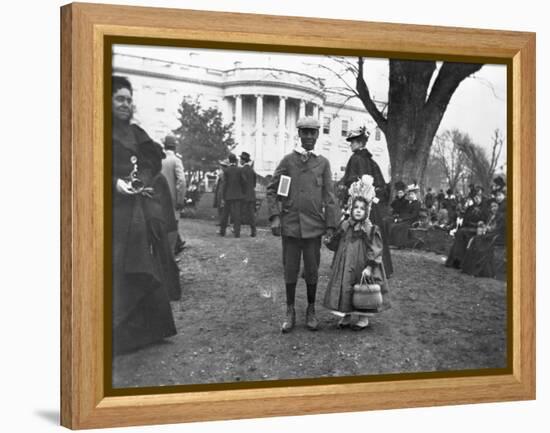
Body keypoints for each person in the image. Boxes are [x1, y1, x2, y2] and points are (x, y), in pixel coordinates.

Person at [111, 76, 177, 354]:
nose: (126, 104)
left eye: (128, 99)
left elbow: (153, 159)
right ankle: (119, 333)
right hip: (111, 208)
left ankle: (150, 330)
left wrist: (143, 180)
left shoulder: (136, 132)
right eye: (119, 99)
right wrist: (115, 182)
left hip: (137, 206)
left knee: (144, 258)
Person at [266, 116, 340, 333]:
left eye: (312, 132)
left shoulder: (323, 163)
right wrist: (275, 217)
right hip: (290, 226)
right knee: (290, 270)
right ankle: (290, 311)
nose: (308, 136)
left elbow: (330, 196)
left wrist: (331, 226)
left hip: (313, 229)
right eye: (305, 132)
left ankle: (311, 309)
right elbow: (272, 190)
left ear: (318, 135)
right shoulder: (288, 161)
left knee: (312, 270)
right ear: (299, 134)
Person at [323, 176, 390, 330]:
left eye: (361, 208)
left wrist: (370, 266)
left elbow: (375, 248)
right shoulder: (346, 224)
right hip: (345, 262)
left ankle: (363, 317)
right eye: (356, 208)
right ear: (351, 209)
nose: (358, 211)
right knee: (345, 286)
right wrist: (330, 240)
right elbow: (337, 240)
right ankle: (346, 314)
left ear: (366, 210)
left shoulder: (369, 228)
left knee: (361, 287)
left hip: (362, 263)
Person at [341, 126, 393, 276]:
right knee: (373, 234)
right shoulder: (372, 162)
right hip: (372, 207)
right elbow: (382, 186)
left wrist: (346, 201)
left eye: (352, 142)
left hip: (358, 205)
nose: (351, 145)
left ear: (359, 143)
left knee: (356, 232)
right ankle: (382, 267)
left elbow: (349, 182)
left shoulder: (355, 159)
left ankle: (356, 265)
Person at [445, 193, 488, 269]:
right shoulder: (470, 208)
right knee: (460, 233)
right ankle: (455, 260)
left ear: (481, 199)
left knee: (463, 233)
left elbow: (484, 221)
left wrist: (476, 225)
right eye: (475, 198)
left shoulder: (484, 209)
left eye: (478, 198)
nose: (476, 199)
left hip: (477, 229)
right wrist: (467, 224)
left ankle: (461, 261)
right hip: (467, 227)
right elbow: (465, 219)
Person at [161, 134, 187, 253]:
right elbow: (181, 181)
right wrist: (180, 200)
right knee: (173, 225)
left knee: (161, 224)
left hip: (158, 198)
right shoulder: (176, 161)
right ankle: (171, 254)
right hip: (172, 198)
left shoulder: (158, 159)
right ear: (174, 147)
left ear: (164, 146)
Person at [219, 153, 245, 238]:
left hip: (228, 195)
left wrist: (223, 196)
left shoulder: (226, 171)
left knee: (225, 214)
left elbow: (225, 184)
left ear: (229, 160)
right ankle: (237, 233)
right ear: (235, 160)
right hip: (238, 195)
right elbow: (244, 182)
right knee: (237, 215)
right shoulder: (240, 170)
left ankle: (222, 231)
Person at [388, 184, 421, 248]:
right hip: (405, 219)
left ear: (415, 195)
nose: (410, 196)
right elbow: (403, 211)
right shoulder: (408, 202)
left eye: (412, 194)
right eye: (410, 194)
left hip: (412, 220)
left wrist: (403, 219)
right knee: (392, 224)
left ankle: (400, 245)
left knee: (399, 226)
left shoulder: (417, 203)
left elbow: (413, 215)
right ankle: (393, 243)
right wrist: (398, 217)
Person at [239, 151, 257, 237]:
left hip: (244, 195)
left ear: (243, 160)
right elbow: (254, 183)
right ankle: (253, 231)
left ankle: (236, 229)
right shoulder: (252, 170)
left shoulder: (242, 170)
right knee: (251, 214)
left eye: (240, 159)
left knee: (239, 212)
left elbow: (242, 183)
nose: (240, 161)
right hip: (252, 195)